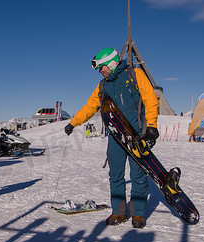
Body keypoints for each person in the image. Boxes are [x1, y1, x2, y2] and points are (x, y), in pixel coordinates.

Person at [64, 47, 159, 229]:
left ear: (112, 63)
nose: (100, 71)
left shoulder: (135, 74)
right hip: (116, 136)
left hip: (137, 135)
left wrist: (152, 126)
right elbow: (90, 106)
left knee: (138, 174)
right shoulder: (103, 85)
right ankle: (119, 211)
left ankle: (138, 214)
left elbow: (150, 99)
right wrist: (73, 123)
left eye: (101, 67)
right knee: (115, 174)